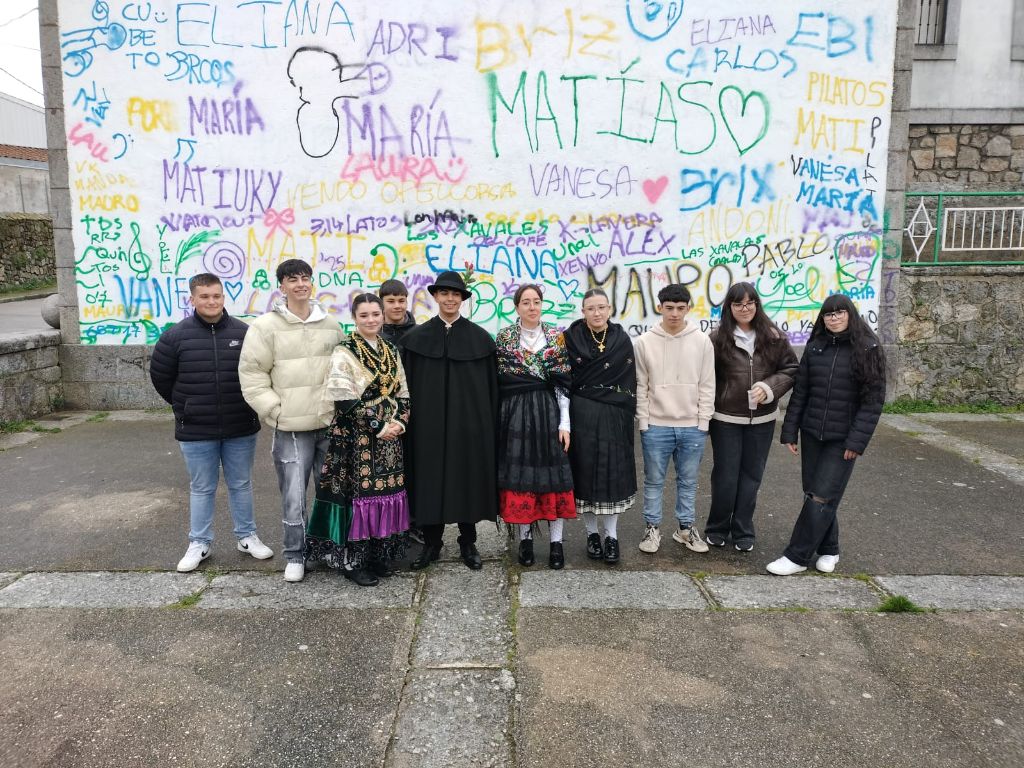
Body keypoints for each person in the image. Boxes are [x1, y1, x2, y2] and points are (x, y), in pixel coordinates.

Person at [150, 273, 273, 572]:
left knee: (241, 484)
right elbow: (161, 378)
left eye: (216, 296)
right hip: (196, 428)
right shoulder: (174, 337)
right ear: (192, 299)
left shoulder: (245, 333)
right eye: (204, 296)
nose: (211, 301)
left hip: (239, 424)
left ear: (223, 297)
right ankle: (199, 543)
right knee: (202, 487)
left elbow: (260, 373)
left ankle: (247, 536)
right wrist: (186, 406)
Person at [239, 258, 344, 583]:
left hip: (329, 424)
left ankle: (329, 548)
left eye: (305, 278)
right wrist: (275, 411)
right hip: (291, 429)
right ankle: (296, 554)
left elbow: (344, 371)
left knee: (331, 493)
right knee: (294, 496)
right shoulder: (265, 327)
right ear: (282, 286)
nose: (300, 284)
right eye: (293, 279)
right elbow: (252, 375)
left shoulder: (331, 324)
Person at [767, 294, 886, 576]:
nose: (834, 318)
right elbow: (801, 392)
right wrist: (790, 430)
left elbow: (872, 402)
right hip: (812, 434)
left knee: (821, 496)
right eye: (828, 314)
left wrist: (856, 441)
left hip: (843, 439)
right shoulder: (815, 347)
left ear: (850, 314)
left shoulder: (868, 349)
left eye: (839, 313)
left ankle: (796, 556)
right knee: (814, 494)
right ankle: (830, 548)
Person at [306, 293, 411, 587]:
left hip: (389, 439)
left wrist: (400, 422)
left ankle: (378, 554)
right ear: (354, 318)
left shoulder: (390, 349)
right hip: (356, 438)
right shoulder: (345, 351)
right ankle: (354, 561)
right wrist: (378, 426)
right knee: (358, 497)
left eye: (375, 314)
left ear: (382, 316)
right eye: (364, 315)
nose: (371, 320)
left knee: (385, 493)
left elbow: (402, 391)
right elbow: (343, 399)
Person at [401, 270, 499, 571]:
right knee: (429, 481)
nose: (450, 299)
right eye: (444, 293)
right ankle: (432, 543)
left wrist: (487, 427)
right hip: (427, 428)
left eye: (455, 294)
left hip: (467, 427)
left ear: (462, 299)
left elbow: (490, 390)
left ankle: (468, 542)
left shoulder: (480, 340)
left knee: (466, 479)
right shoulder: (415, 340)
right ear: (435, 296)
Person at [705, 283, 798, 552]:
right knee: (725, 476)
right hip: (725, 419)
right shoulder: (717, 339)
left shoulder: (774, 337)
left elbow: (791, 369)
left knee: (752, 476)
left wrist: (769, 388)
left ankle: (743, 529)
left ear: (757, 304)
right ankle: (717, 527)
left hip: (762, 420)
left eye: (749, 303)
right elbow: (706, 377)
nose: (744, 309)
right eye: (738, 304)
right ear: (729, 307)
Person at [495, 284, 575, 570]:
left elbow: (563, 382)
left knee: (553, 477)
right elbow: (501, 378)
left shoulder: (555, 336)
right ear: (517, 307)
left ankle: (556, 543)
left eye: (536, 301)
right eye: (526, 302)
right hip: (515, 412)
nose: (532, 307)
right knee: (522, 477)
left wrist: (565, 422)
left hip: (547, 411)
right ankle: (525, 540)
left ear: (542, 305)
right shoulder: (505, 337)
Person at [635, 284, 715, 557]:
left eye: (681, 308)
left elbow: (707, 384)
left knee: (688, 481)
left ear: (688, 308)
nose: (675, 314)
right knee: (654, 481)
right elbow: (641, 384)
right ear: (660, 307)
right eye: (669, 308)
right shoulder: (644, 342)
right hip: (656, 425)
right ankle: (652, 528)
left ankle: (685, 529)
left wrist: (703, 421)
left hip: (692, 425)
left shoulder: (702, 341)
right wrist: (644, 421)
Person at [563, 288, 636, 565]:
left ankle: (612, 536)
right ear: (583, 311)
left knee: (612, 474)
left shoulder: (621, 339)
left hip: (614, 416)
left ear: (609, 309)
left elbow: (629, 380)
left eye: (602, 307)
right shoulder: (570, 339)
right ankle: (592, 534)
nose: (597, 313)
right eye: (591, 308)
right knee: (585, 473)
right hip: (581, 414)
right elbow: (564, 379)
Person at [379, 278, 417, 347]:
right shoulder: (373, 335)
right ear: (381, 304)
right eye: (391, 301)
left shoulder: (418, 333)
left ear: (406, 302)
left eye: (401, 301)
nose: (397, 306)